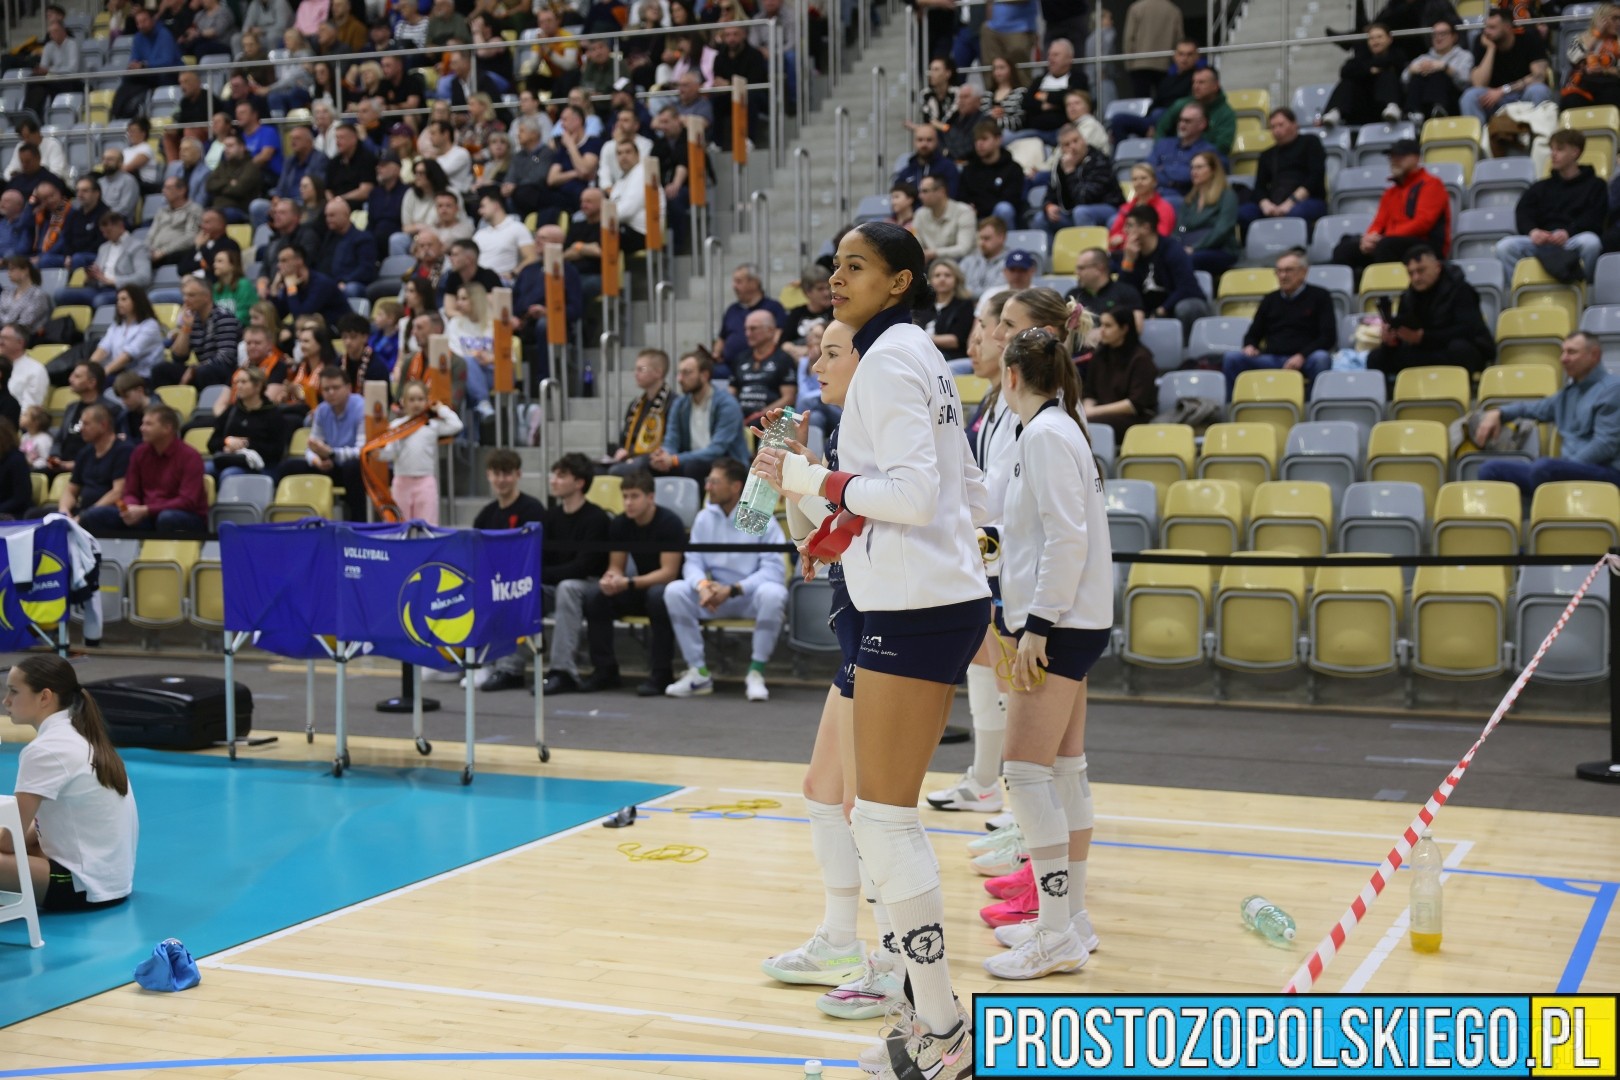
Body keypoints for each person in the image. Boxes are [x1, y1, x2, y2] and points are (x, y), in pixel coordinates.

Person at [755, 222, 985, 1078]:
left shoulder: (888, 359)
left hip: (914, 606)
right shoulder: (919, 352)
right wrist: (809, 493)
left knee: (883, 820)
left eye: (857, 267)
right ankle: (922, 1014)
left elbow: (915, 497)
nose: (837, 279)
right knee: (871, 814)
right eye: (836, 266)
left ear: (900, 282)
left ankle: (941, 1029)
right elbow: (960, 491)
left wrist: (807, 478)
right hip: (928, 598)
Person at [761, 313, 906, 1018]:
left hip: (887, 626)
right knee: (823, 791)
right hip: (855, 621)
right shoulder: (844, 433)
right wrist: (794, 483)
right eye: (816, 354)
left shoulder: (881, 433)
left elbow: (880, 524)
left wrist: (812, 480)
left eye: (830, 353)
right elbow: (816, 545)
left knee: (868, 808)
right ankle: (840, 940)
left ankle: (895, 963)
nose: (816, 366)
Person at [979, 323, 1111, 981]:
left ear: (1011, 377)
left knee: (1026, 774)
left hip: (1057, 625)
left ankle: (1056, 933)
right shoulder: (1055, 430)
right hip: (1068, 620)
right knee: (1062, 769)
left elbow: (1066, 539)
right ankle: (1071, 919)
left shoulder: (1046, 436)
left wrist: (1036, 626)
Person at [925, 291, 1014, 817]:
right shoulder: (990, 401)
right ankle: (985, 780)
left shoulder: (1028, 408)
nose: (975, 341)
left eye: (983, 329)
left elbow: (999, 493)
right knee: (985, 660)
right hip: (987, 549)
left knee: (1009, 673)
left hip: (1006, 555)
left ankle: (1016, 793)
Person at [1, 655, 138, 912]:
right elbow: (31, 829)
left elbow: (8, 842)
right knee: (25, 837)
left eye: (14, 691)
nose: (5, 701)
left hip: (83, 887)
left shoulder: (45, 749)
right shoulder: (77, 735)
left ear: (44, 697)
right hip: (111, 880)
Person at [655, 457, 789, 700]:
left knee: (774, 593)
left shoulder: (759, 516)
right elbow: (693, 562)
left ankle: (756, 672)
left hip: (748, 597)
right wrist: (703, 586)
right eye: (708, 481)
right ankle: (698, 673)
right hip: (713, 598)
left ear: (736, 487)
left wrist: (734, 589)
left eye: (714, 482)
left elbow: (774, 570)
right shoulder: (703, 518)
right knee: (675, 590)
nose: (707, 487)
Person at [543, 469, 684, 695]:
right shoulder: (620, 523)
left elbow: (669, 573)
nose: (628, 503)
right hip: (636, 586)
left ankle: (661, 672)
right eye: (625, 497)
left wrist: (628, 582)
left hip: (667, 587)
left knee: (658, 596)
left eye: (634, 496)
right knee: (597, 596)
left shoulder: (669, 523)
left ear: (650, 497)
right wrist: (611, 579)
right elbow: (616, 565)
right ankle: (605, 670)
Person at [469, 449, 569, 693]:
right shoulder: (486, 515)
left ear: (518, 475)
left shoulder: (532, 510)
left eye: (507, 474)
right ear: (488, 475)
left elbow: (535, 557)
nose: (501, 480)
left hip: (532, 584)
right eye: (496, 474)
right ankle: (477, 661)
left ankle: (510, 669)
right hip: (495, 581)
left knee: (511, 595)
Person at [1476, 332, 1620, 494]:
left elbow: (1605, 445)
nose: (1563, 359)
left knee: (1544, 468)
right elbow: (1531, 408)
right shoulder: (1568, 394)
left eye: (1572, 352)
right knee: (1490, 469)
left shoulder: (1613, 389)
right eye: (1562, 352)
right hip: (1563, 469)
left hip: (1606, 472)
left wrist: (1567, 467)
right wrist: (1498, 413)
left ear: (1594, 355)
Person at [1367, 244, 1496, 380]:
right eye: (1411, 273)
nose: (1416, 278)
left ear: (1437, 267)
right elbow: (1405, 330)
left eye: (1421, 270)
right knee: (1375, 358)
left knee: (1460, 350)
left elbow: (1468, 330)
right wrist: (1391, 340)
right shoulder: (1408, 296)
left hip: (1453, 348)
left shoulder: (1461, 290)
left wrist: (1424, 338)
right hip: (1424, 350)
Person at [1496, 129, 1608, 284]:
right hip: (1542, 241)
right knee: (1505, 247)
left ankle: (1584, 288)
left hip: (1573, 240)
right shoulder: (1540, 187)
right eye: (1552, 149)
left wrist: (1568, 232)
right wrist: (1533, 231)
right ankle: (1519, 290)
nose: (1553, 154)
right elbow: (1523, 212)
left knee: (1591, 243)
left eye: (1560, 149)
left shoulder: (1596, 185)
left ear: (1575, 152)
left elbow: (1595, 217)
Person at [1220, 249, 1338, 396]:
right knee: (1232, 358)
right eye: (1279, 271)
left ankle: (1310, 404)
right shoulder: (1270, 299)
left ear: (1303, 272)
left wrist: (1301, 355)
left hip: (1306, 358)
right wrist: (1250, 346)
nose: (1283, 276)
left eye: (1288, 270)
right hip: (1272, 358)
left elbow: (1328, 337)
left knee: (1321, 358)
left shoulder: (1320, 296)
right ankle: (1233, 405)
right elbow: (1253, 334)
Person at [1330, 139, 1450, 282]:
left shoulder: (1431, 184)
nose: (1394, 160)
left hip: (1425, 245)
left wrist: (1385, 237)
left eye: (1401, 156)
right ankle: (1357, 287)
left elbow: (1422, 223)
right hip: (1391, 243)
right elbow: (1378, 223)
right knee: (1344, 249)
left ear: (1416, 158)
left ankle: (1382, 286)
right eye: (1392, 156)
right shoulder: (1390, 193)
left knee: (1386, 245)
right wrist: (1369, 239)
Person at [81, 405, 208, 534]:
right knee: (95, 515)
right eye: (142, 423)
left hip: (184, 515)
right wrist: (130, 508)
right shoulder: (139, 453)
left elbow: (187, 502)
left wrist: (146, 510)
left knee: (166, 518)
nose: (142, 428)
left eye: (149, 424)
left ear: (167, 428)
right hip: (145, 514)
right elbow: (130, 492)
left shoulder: (190, 457)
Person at [277, 365, 365, 521]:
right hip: (328, 463)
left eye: (335, 388)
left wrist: (332, 454)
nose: (331, 393)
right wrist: (317, 461)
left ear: (348, 388)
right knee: (287, 467)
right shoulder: (322, 410)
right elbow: (311, 447)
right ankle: (293, 520)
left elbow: (362, 451)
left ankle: (358, 522)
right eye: (326, 389)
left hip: (355, 466)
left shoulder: (361, 407)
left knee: (352, 467)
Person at [1115, 205, 1212, 338]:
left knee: (1187, 307)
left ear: (1146, 228)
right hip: (1148, 311)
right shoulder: (1130, 254)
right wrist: (1128, 262)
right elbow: (1123, 294)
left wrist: (1162, 310)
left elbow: (1187, 287)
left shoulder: (1172, 250)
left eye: (1130, 226)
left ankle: (1187, 348)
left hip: (1173, 307)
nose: (1125, 231)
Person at [652, 349, 750, 480]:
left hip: (728, 465)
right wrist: (663, 454)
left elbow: (717, 450)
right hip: (691, 461)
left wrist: (675, 459)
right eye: (679, 373)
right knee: (650, 465)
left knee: (693, 467)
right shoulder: (679, 404)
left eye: (686, 373)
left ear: (704, 375)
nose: (680, 379)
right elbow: (671, 439)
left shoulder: (727, 404)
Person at [378, 379, 462, 522]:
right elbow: (390, 453)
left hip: (426, 481)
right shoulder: (396, 426)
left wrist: (441, 409)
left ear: (427, 401)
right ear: (403, 402)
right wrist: (378, 454)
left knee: (427, 524)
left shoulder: (432, 425)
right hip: (401, 481)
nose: (416, 403)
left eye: (420, 399)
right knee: (400, 525)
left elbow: (456, 425)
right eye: (411, 400)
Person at [1241, 109, 1328, 231]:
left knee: (1296, 213)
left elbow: (1315, 177)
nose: (1276, 130)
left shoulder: (1310, 142)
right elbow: (1259, 187)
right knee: (1245, 213)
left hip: (1308, 200)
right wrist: (1266, 205)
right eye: (1273, 127)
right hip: (1275, 201)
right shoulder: (1267, 154)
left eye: (1281, 125)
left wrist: (1290, 203)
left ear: (1294, 124)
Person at [1463, 8, 1553, 121]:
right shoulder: (1483, 42)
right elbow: (1479, 84)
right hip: (1493, 98)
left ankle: (1539, 131)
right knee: (1470, 96)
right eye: (1486, 27)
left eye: (1492, 27)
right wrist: (1491, 49)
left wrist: (1504, 90)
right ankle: (1480, 132)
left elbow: (1539, 77)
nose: (1486, 32)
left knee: (1539, 90)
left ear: (1507, 27)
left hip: (1523, 93)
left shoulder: (1529, 38)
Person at [1082, 308, 1158, 441]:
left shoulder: (1141, 358)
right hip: (1101, 414)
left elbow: (1134, 404)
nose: (1102, 330)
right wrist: (1087, 410)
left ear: (1124, 329)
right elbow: (1090, 393)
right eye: (1101, 325)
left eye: (1108, 326)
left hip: (1134, 418)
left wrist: (1093, 412)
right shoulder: (1099, 355)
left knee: (1087, 424)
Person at [1321, 23, 1408, 127]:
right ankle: (1335, 112)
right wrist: (1370, 70)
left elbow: (1396, 62)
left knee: (1387, 75)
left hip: (1384, 106)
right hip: (1363, 106)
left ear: (1389, 39)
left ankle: (1392, 107)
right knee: (1348, 82)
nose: (1375, 41)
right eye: (1371, 38)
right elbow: (1345, 71)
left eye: (1379, 37)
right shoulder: (1363, 57)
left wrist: (1368, 69)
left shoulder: (1398, 54)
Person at [56, 404, 131, 522]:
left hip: (108, 510)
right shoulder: (85, 453)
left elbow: (118, 492)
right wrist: (64, 511)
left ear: (103, 425)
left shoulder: (124, 451)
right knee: (39, 513)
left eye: (86, 424)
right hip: (84, 510)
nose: (81, 428)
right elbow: (71, 490)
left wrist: (85, 515)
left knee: (93, 517)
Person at [207, 367, 284, 479]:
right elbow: (211, 443)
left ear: (258, 386)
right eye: (236, 382)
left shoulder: (272, 414)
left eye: (243, 382)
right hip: (230, 459)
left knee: (229, 474)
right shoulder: (232, 411)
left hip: (260, 465)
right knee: (201, 469)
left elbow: (277, 451)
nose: (238, 386)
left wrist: (245, 445)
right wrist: (227, 442)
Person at [1043, 122, 1121, 232]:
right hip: (1073, 211)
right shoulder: (1061, 166)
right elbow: (1051, 191)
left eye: (1075, 141)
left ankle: (1088, 243)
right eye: (1067, 145)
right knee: (1041, 219)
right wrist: (1048, 205)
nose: (1072, 147)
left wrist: (1070, 172)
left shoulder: (1099, 161)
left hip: (1107, 207)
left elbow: (1085, 198)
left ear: (1083, 140)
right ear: (1062, 149)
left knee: (1081, 212)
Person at [712, 264, 789, 372]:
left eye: (739, 282)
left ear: (754, 283)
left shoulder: (773, 308)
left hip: (760, 365)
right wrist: (716, 354)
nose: (734, 286)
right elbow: (722, 338)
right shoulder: (732, 310)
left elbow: (777, 336)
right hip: (728, 366)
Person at [608, 350, 672, 476]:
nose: (635, 373)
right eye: (635, 369)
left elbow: (670, 443)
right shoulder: (635, 404)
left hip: (653, 459)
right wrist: (621, 450)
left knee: (617, 471)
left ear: (658, 372)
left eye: (641, 369)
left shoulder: (673, 403)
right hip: (629, 458)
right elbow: (624, 438)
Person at [1177, 152, 1241, 275]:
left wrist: (1195, 247)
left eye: (1199, 167)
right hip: (1189, 247)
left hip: (1220, 249)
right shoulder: (1190, 200)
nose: (1194, 172)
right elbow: (1181, 227)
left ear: (1213, 170)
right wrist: (1178, 245)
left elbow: (1221, 229)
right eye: (1192, 168)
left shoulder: (1227, 196)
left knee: (1190, 259)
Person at [731, 311, 798, 426]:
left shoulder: (784, 359)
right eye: (746, 329)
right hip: (739, 417)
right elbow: (730, 393)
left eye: (753, 329)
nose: (748, 334)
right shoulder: (740, 359)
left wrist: (760, 415)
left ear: (770, 330)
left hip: (771, 419)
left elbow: (789, 398)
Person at [1151, 67, 1236, 156]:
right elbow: (1161, 129)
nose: (1195, 86)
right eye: (1194, 82)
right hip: (1175, 156)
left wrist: (1195, 157)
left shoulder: (1226, 114)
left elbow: (1223, 146)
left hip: (1207, 159)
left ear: (1215, 86)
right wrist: (1161, 152)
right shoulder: (1181, 104)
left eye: (1201, 82)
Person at [958, 120, 1026, 230]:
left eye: (984, 139)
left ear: (998, 140)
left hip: (998, 219)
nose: (979, 144)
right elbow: (962, 196)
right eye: (976, 140)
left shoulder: (1013, 169)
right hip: (974, 218)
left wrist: (979, 207)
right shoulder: (969, 169)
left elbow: (1011, 200)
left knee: (1004, 209)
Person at [52, 362, 122, 466]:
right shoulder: (71, 408)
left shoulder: (111, 409)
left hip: (91, 466)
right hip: (62, 463)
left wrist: (77, 465)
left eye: (77, 376)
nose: (70, 379)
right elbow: (59, 439)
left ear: (92, 382)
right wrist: (54, 457)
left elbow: (109, 445)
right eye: (72, 375)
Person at [90, 286, 164, 383]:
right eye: (118, 300)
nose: (119, 303)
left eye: (124, 299)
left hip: (141, 376)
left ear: (136, 301)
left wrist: (102, 374)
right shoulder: (117, 325)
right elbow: (103, 348)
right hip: (119, 373)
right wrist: (88, 370)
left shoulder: (150, 325)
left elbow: (129, 354)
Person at [1405, 20, 1474, 120]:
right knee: (1417, 76)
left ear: (1454, 37)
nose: (1438, 38)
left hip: (1452, 101)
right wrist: (1412, 70)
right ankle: (1413, 113)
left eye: (1443, 34)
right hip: (1424, 101)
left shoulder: (1464, 56)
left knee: (1439, 73)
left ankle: (1439, 109)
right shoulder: (1424, 58)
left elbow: (1466, 81)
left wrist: (1446, 68)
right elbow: (1403, 79)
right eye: (1435, 35)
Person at [1146, 101, 1218, 197]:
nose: (1181, 125)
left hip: (1185, 197)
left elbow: (1188, 177)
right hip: (1154, 195)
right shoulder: (1163, 144)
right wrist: (1174, 178)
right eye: (1180, 120)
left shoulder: (1207, 151)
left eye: (1187, 121)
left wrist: (1163, 169)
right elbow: (1147, 170)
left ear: (1202, 124)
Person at [1067, 247, 1144, 330]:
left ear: (1099, 268)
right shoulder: (1073, 295)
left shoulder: (1126, 293)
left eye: (1081, 268)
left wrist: (1099, 334)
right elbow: (1062, 328)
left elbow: (1136, 328)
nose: (1076, 272)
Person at [918, 258, 977, 365]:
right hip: (924, 352)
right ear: (930, 280)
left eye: (947, 275)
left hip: (952, 357)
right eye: (937, 275)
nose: (942, 279)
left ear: (956, 279)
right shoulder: (924, 304)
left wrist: (924, 337)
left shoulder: (964, 305)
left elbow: (955, 340)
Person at [1122, 0, 1185, 99]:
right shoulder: (1173, 10)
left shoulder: (1136, 8)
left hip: (1139, 63)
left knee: (1141, 100)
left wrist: (1129, 63)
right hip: (1163, 63)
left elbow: (1129, 38)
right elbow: (1179, 39)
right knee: (1163, 99)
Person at [1106, 163, 1176, 253]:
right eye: (1135, 179)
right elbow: (1113, 235)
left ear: (1154, 182)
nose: (1139, 182)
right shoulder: (1126, 207)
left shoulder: (1164, 208)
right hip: (1124, 253)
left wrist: (1124, 238)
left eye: (1143, 178)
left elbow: (1160, 235)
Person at [1563, 3, 1620, 108]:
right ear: (1601, 19)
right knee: (1571, 100)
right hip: (1581, 84)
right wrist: (1597, 33)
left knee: (1613, 95)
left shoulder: (1618, 42)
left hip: (1609, 84)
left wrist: (1604, 70)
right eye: (1614, 18)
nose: (1618, 23)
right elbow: (1574, 58)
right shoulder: (1580, 38)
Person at [914, 175, 979, 264]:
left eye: (925, 191)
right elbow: (916, 245)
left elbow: (964, 249)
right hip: (932, 264)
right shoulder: (919, 214)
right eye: (920, 191)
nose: (920, 196)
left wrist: (934, 253)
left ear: (941, 191)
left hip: (962, 263)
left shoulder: (964, 211)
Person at [893, 124, 961, 198]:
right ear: (914, 142)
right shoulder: (907, 171)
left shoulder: (948, 168)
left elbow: (951, 196)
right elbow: (897, 196)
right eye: (920, 140)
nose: (924, 144)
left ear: (937, 142)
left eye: (929, 140)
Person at [0, 324, 48, 412]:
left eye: (5, 338)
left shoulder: (35, 370)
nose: (0, 342)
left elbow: (29, 410)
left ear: (20, 343)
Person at [959, 219, 1011, 299]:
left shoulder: (1010, 264)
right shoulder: (968, 260)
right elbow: (956, 286)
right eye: (980, 238)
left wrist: (966, 293)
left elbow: (996, 293)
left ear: (1001, 238)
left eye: (986, 238)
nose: (981, 243)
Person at [0, 258, 51, 338]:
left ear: (25, 270)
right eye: (8, 270)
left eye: (12, 269)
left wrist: (5, 321)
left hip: (24, 337)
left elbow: (25, 323)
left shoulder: (38, 295)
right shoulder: (6, 293)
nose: (8, 273)